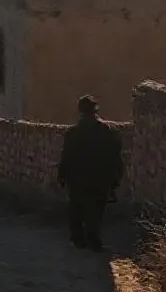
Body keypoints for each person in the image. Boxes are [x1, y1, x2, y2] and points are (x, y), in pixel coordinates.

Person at [57, 95, 123, 252]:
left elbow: (66, 156)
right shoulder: (108, 131)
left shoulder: (73, 133)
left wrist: (62, 176)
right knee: (96, 209)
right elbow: (115, 157)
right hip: (100, 178)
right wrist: (115, 179)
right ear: (95, 110)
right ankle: (93, 239)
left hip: (77, 178)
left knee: (76, 207)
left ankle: (78, 239)